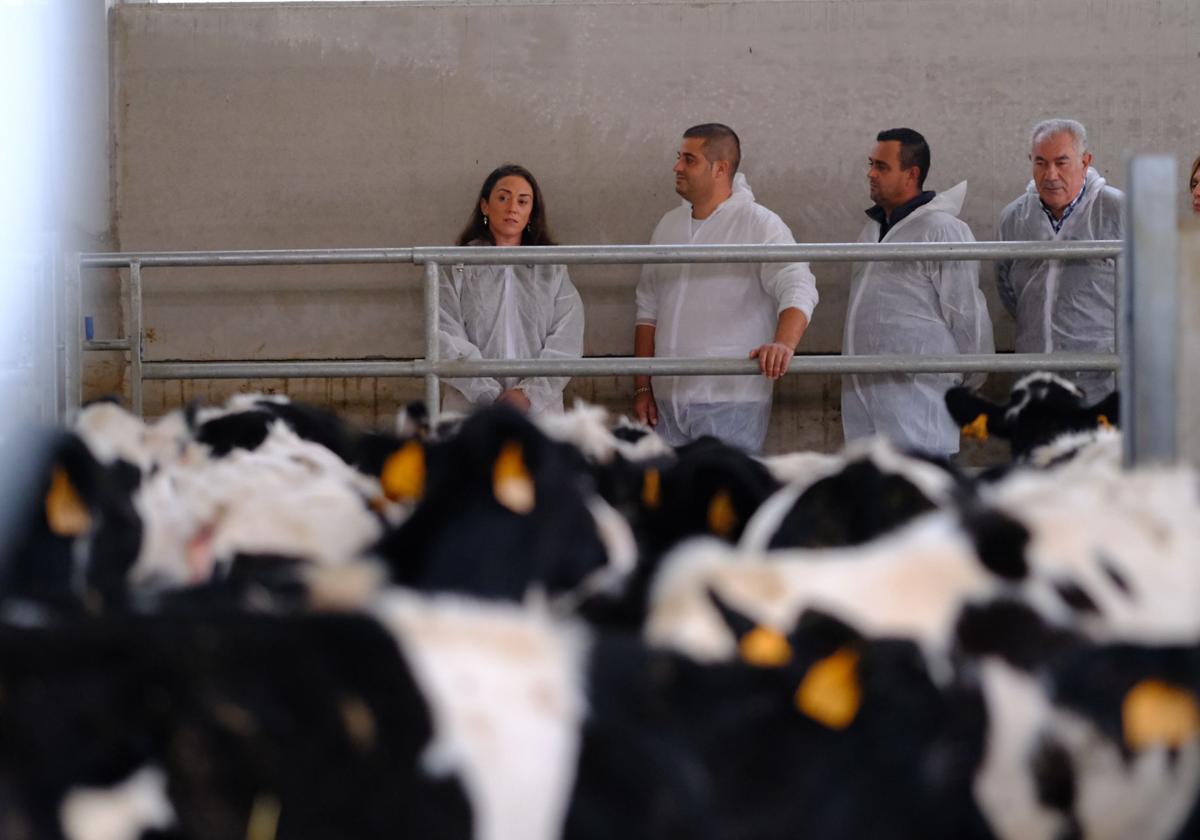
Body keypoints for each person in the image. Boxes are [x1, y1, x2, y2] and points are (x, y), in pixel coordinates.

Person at [633, 124, 819, 453]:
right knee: (670, 502)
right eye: (679, 158)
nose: (677, 167)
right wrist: (642, 388)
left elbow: (798, 283)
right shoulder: (669, 226)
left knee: (725, 500)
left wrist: (784, 344)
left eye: (689, 160)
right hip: (666, 403)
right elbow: (647, 308)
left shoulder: (759, 223)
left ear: (720, 168)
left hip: (730, 400)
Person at [842, 128, 994, 458]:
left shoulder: (942, 230)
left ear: (911, 174)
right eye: (871, 164)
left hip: (919, 398)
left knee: (920, 494)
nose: (871, 173)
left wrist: (971, 376)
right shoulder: (872, 229)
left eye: (882, 167)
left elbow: (967, 313)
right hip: (865, 393)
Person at [438, 164, 584, 419]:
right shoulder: (456, 265)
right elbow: (444, 334)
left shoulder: (551, 269)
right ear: (485, 205)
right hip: (470, 411)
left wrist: (528, 394)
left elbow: (566, 339)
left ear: (531, 212)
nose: (512, 207)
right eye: (503, 197)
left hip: (538, 412)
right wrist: (487, 394)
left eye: (523, 201)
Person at [996, 119, 1123, 403]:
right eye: (1040, 163)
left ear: (1085, 161)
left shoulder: (1118, 211)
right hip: (1034, 378)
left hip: (1101, 382)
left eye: (1061, 162)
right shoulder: (1014, 218)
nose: (1050, 174)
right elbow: (1007, 287)